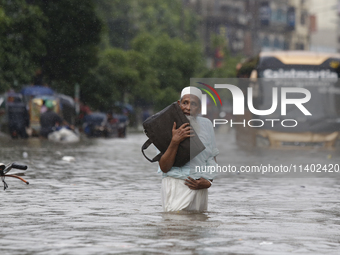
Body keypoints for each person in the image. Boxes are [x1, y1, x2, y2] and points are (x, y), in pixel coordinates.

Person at [158, 86, 219, 212]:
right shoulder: (167, 126)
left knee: (198, 227)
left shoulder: (206, 125)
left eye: (194, 104)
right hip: (176, 185)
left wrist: (208, 181)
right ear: (179, 104)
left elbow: (211, 158)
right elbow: (164, 166)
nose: (188, 108)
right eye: (185, 103)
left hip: (200, 187)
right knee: (175, 226)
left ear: (200, 108)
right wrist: (175, 141)